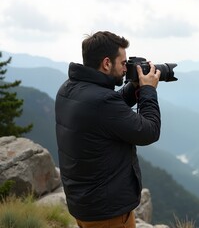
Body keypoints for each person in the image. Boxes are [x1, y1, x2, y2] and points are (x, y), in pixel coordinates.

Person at [55, 31, 161, 228]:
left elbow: (109, 110)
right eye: (123, 63)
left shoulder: (69, 89)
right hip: (108, 213)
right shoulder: (102, 101)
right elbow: (149, 131)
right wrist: (148, 91)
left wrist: (134, 86)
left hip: (84, 205)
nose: (125, 69)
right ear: (106, 63)